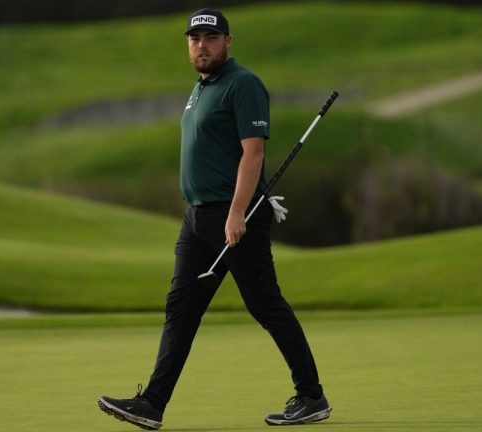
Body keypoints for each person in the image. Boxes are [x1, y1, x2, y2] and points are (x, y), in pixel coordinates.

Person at [98, 8, 331, 429]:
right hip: (197, 218)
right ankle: (152, 404)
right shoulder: (200, 87)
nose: (201, 45)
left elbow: (253, 152)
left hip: (235, 216)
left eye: (210, 37)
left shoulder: (243, 85)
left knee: (265, 305)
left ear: (227, 41)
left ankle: (311, 395)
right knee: (180, 310)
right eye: (194, 38)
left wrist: (238, 212)